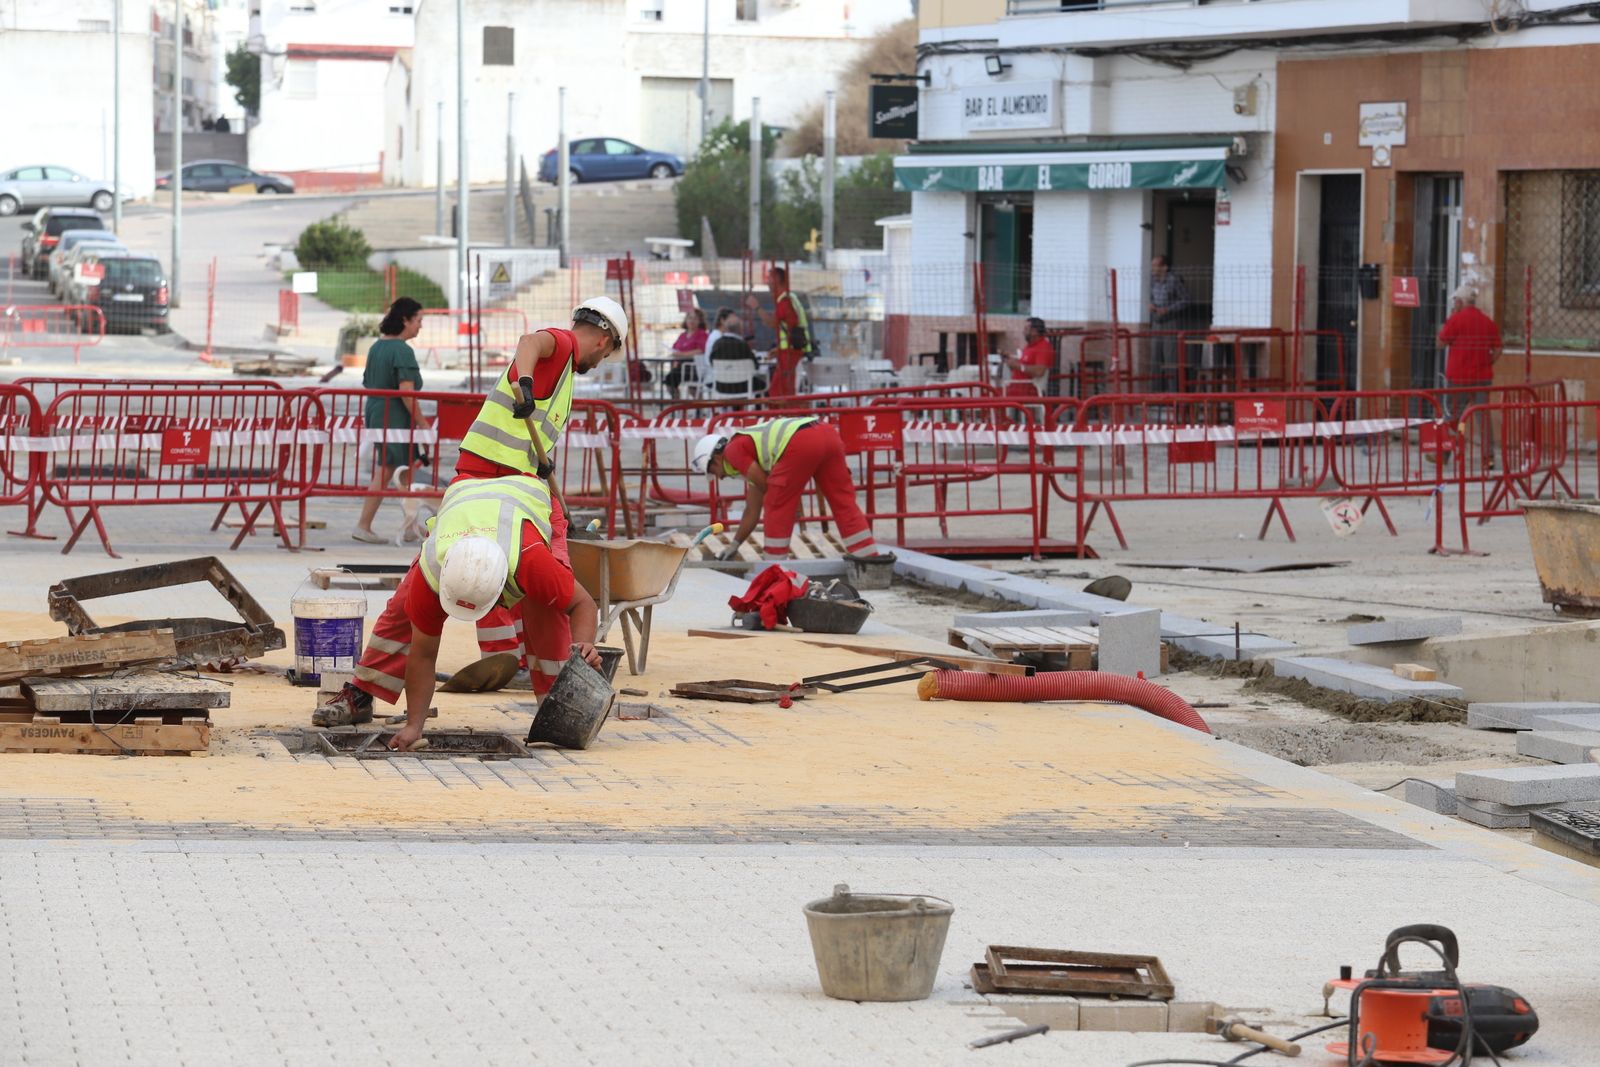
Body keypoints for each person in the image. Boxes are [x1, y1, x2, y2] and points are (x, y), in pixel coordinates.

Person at [318, 474, 604, 745]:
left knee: (546, 609)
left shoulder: (531, 560)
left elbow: (582, 603)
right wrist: (413, 726)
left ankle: (561, 713)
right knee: (404, 610)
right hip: (467, 496)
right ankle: (366, 690)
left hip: (527, 500)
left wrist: (584, 648)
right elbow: (423, 654)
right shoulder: (430, 573)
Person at [445, 296, 628, 693]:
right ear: (603, 340)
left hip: (514, 477)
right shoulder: (562, 346)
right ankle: (541, 663)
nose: (601, 361)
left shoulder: (565, 380)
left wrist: (540, 464)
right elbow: (530, 342)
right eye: (608, 354)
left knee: (501, 565)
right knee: (537, 560)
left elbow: (533, 431)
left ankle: (516, 656)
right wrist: (522, 382)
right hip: (495, 478)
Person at [691, 418, 881, 562]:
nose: (720, 477)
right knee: (843, 501)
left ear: (715, 459)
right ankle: (868, 559)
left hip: (801, 441)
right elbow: (752, 510)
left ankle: (774, 565)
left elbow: (766, 488)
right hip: (827, 434)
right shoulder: (751, 453)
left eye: (714, 472)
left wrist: (787, 495)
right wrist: (736, 544)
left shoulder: (733, 451)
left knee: (775, 503)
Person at [353, 297, 432, 545]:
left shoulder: (377, 347)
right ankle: (363, 524)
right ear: (405, 320)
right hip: (394, 413)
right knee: (389, 468)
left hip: (378, 409)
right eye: (418, 320)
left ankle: (409, 524)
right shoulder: (401, 350)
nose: (420, 326)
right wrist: (422, 423)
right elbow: (407, 392)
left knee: (402, 468)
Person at [1438, 285, 1502, 467]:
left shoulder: (1456, 320)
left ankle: (1444, 454)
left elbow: (1440, 343)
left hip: (1458, 378)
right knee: (1482, 416)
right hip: (1482, 377)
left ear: (1460, 302)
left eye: (1455, 301)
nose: (1454, 304)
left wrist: (1449, 320)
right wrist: (1486, 363)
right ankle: (1488, 458)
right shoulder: (1487, 321)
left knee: (1453, 416)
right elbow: (1498, 349)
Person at [743, 266, 812, 398]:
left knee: (778, 391)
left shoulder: (785, 301)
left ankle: (783, 416)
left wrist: (756, 307)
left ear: (777, 279)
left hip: (790, 353)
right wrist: (779, 348)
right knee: (783, 390)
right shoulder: (789, 299)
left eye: (769, 278)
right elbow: (786, 326)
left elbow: (772, 322)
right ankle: (785, 414)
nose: (767, 282)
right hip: (791, 351)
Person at [1149, 255, 1189, 389]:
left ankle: (1173, 393)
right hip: (1156, 322)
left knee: (1170, 358)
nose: (1153, 269)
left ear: (1164, 267)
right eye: (1152, 265)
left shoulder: (1174, 280)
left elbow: (1186, 300)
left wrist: (1168, 309)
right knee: (1155, 358)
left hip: (1170, 322)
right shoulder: (1153, 281)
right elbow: (1152, 297)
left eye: (1156, 266)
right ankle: (1155, 394)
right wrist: (1152, 305)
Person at [706, 312, 765, 396]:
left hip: (721, 385)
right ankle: (759, 408)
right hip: (744, 386)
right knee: (763, 383)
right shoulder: (742, 345)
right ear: (740, 329)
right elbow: (755, 366)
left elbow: (712, 363)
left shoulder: (717, 344)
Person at [662, 307, 708, 398]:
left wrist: (681, 354)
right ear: (686, 320)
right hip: (680, 367)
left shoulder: (702, 334)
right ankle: (678, 406)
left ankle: (700, 410)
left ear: (700, 321)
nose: (692, 321)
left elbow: (701, 351)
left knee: (693, 389)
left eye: (695, 318)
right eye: (690, 318)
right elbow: (675, 349)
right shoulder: (682, 335)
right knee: (669, 382)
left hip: (695, 367)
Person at [1005, 317, 1055, 398]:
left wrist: (1018, 366)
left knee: (991, 395)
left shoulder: (1043, 347)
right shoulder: (1029, 346)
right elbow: (1025, 364)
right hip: (1016, 388)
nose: (1023, 332)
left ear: (1034, 332)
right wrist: (1011, 360)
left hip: (1028, 391)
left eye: (1026, 329)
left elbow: (1039, 371)